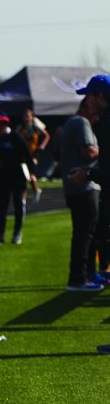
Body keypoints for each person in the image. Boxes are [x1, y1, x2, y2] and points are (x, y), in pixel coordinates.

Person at [60, 97, 102, 291]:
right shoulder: (81, 122)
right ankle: (79, 279)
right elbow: (88, 151)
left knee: (82, 233)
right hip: (83, 186)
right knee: (86, 234)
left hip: (72, 186)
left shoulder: (69, 123)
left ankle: (84, 276)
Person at [71, 74, 110, 281]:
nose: (87, 102)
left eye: (89, 97)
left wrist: (86, 173)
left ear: (101, 96)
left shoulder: (106, 124)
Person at [0, 113, 35, 245]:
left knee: (18, 206)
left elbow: (27, 155)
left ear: (6, 125)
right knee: (1, 208)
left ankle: (17, 234)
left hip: (17, 176)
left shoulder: (16, 137)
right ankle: (0, 236)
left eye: (1, 124)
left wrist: (32, 173)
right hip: (2, 177)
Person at [16, 107, 49, 202]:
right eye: (24, 116)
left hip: (33, 154)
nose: (26, 118)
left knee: (30, 174)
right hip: (23, 155)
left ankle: (34, 191)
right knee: (25, 175)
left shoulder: (35, 127)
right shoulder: (20, 128)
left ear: (31, 117)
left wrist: (42, 145)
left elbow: (47, 135)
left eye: (28, 116)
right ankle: (31, 192)